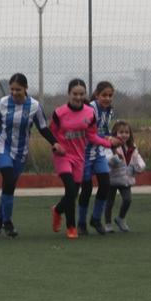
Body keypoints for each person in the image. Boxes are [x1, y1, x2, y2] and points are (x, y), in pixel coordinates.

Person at [47, 79, 122, 239]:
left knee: (103, 184)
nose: (79, 97)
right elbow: (51, 131)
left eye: (81, 94)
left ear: (86, 94)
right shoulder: (61, 112)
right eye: (75, 94)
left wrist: (109, 144)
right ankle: (74, 226)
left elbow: (92, 135)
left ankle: (63, 211)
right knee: (75, 190)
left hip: (84, 155)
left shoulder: (94, 113)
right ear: (69, 94)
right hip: (65, 156)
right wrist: (55, 144)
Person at [0, 73, 49, 238]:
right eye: (12, 89)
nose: (15, 92)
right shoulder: (3, 103)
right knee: (9, 179)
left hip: (20, 151)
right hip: (2, 146)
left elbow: (43, 128)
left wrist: (55, 143)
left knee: (9, 186)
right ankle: (8, 222)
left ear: (25, 88)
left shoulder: (34, 106)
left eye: (18, 89)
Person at [77, 80, 117, 235]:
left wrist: (114, 142)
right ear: (96, 95)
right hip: (84, 153)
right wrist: (107, 140)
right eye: (104, 95)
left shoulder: (110, 111)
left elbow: (105, 131)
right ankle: (81, 223)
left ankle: (95, 219)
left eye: (110, 95)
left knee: (105, 184)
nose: (107, 98)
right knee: (86, 189)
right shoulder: (90, 109)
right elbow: (88, 132)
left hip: (98, 153)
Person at [104, 119, 145, 232]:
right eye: (121, 132)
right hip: (111, 179)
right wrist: (116, 158)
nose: (124, 135)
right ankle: (108, 223)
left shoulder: (132, 146)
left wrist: (140, 166)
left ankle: (120, 218)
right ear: (115, 133)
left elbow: (137, 158)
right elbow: (107, 160)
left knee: (127, 200)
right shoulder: (110, 146)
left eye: (126, 132)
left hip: (125, 178)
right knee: (109, 202)